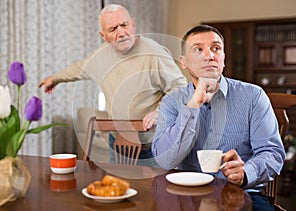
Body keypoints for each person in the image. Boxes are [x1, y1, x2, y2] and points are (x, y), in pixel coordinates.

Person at [152, 24, 285, 210]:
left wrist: (245, 173)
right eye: (198, 49)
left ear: (223, 58)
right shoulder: (172, 102)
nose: (209, 56)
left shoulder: (253, 96)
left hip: (241, 195)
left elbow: (272, 153)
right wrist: (192, 106)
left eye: (216, 48)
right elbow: (165, 160)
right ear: (184, 62)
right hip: (185, 198)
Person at [38, 4, 187, 165]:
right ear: (103, 35)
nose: (121, 33)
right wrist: (55, 79)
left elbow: (180, 86)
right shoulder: (101, 56)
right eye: (113, 29)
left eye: (124, 25)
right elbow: (79, 68)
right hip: (116, 142)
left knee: (152, 190)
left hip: (153, 145)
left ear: (133, 24)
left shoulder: (154, 53)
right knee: (118, 188)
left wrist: (160, 112)